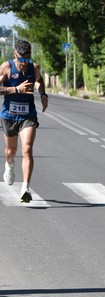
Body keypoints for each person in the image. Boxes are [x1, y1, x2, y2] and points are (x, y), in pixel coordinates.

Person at [0, 38, 48, 203]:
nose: (24, 63)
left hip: (28, 115)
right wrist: (16, 89)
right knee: (10, 151)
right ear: (15, 55)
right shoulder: (6, 67)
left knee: (27, 149)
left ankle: (25, 188)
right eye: (22, 59)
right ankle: (9, 165)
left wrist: (43, 94)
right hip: (9, 116)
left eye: (27, 59)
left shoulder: (33, 68)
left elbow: (39, 81)